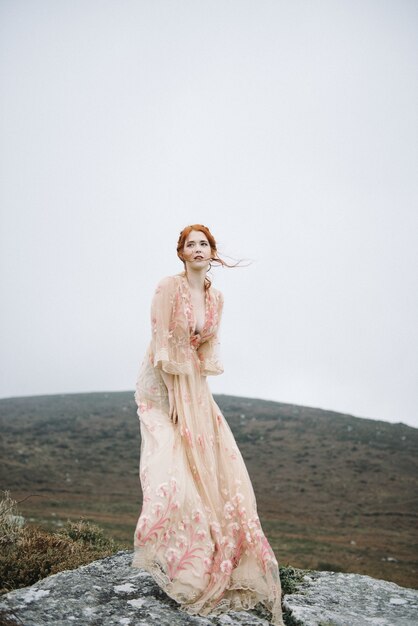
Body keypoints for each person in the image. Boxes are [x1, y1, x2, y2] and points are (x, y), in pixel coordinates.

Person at [132, 224, 285, 626]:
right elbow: (160, 342)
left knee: (212, 462)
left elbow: (207, 347)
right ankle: (167, 550)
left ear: (212, 252)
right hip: (161, 384)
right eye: (190, 244)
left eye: (204, 244)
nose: (197, 249)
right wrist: (174, 397)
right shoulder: (169, 286)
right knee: (170, 462)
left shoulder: (216, 297)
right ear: (180, 253)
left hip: (193, 384)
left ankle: (202, 563)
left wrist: (193, 396)